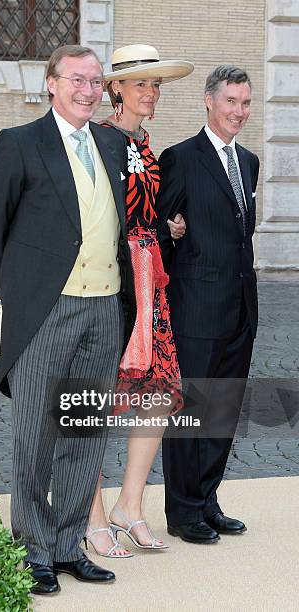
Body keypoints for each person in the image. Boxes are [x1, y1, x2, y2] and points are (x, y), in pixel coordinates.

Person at [0, 45, 137, 595]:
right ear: (51, 83)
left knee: (84, 432)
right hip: (47, 311)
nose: (88, 90)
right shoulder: (19, 143)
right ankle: (33, 550)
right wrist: (21, 295)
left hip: (104, 308)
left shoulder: (115, 143)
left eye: (96, 81)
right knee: (35, 436)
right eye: (77, 80)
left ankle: (70, 546)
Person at [84, 44, 193, 558]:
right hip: (113, 281)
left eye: (157, 85)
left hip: (150, 279)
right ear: (117, 89)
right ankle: (93, 515)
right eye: (142, 84)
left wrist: (164, 230)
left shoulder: (145, 144)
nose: (152, 93)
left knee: (157, 393)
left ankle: (130, 506)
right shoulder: (99, 140)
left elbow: (142, 212)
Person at [157, 65, 260, 544]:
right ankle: (182, 511)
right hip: (195, 307)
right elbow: (159, 232)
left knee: (222, 410)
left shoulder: (251, 163)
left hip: (241, 307)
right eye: (231, 102)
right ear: (208, 101)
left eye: (245, 102)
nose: (239, 112)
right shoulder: (180, 158)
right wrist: (172, 233)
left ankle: (208, 499)